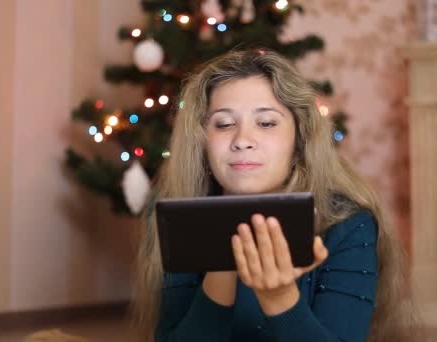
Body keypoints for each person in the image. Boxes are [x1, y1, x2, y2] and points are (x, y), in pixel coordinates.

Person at [131, 49, 417, 341]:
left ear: (299, 139)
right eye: (224, 124)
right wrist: (223, 265)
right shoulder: (178, 218)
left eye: (266, 123)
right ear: (203, 142)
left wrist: (280, 298)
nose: (242, 140)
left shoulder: (349, 224)